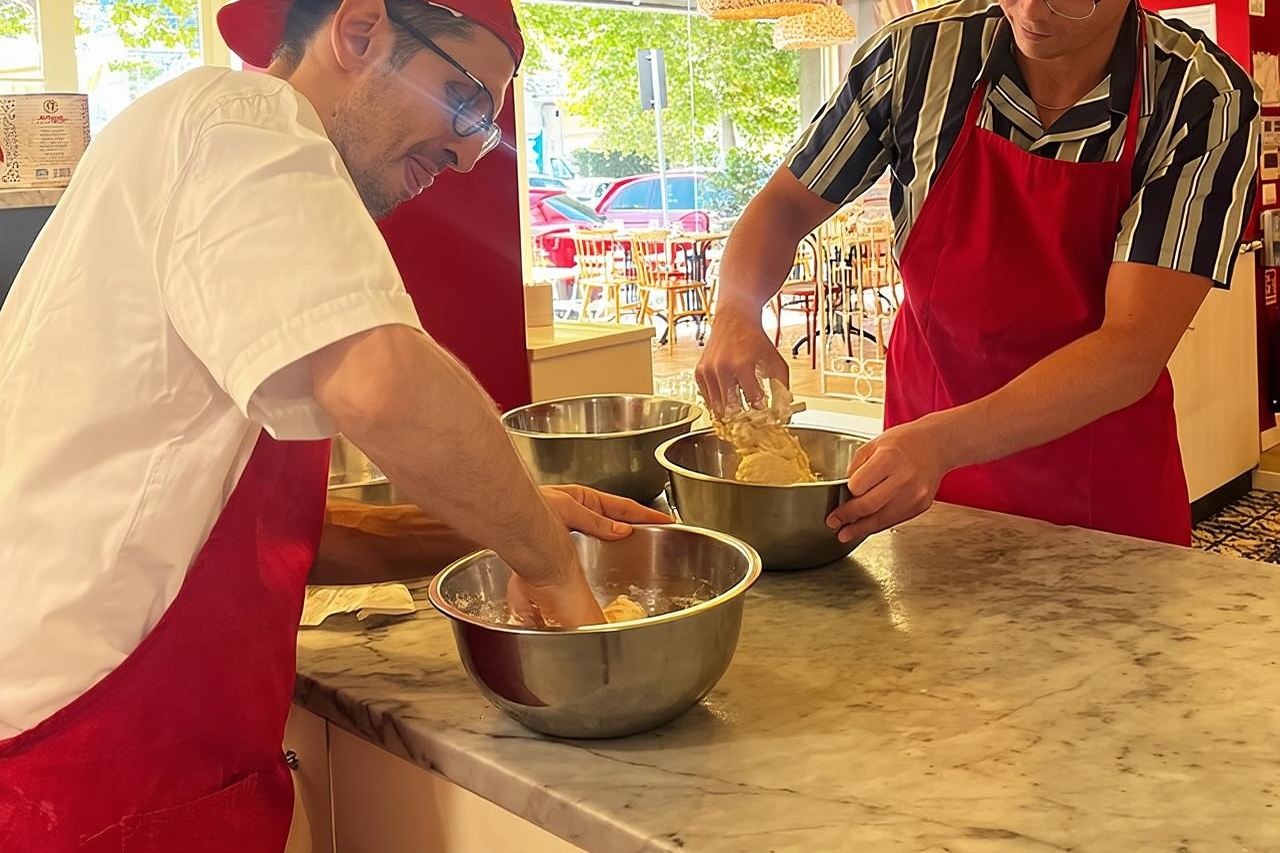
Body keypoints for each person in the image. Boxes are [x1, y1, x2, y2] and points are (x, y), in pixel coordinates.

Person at [0, 0, 665, 848]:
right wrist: (556, 574)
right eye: (465, 103)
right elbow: (384, 384)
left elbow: (265, 536)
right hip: (87, 772)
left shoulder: (183, 146)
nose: (469, 153)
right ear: (359, 31)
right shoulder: (240, 117)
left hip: (119, 751)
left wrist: (508, 524)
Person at [698, 0, 1259, 548]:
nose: (1033, 15)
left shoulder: (1202, 98)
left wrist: (946, 442)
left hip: (1099, 487)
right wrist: (736, 310)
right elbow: (785, 207)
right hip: (920, 481)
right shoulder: (913, 59)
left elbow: (1132, 346)